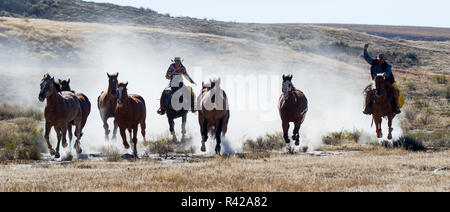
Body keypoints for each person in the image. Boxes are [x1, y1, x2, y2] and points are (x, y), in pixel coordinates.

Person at [363, 43, 403, 115]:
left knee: (395, 91)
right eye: (379, 59)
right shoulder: (374, 62)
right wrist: (365, 49)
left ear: (384, 60)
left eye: (382, 59)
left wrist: (382, 76)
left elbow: (388, 73)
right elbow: (367, 58)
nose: (380, 60)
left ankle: (396, 107)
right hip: (375, 82)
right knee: (368, 92)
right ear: (377, 59)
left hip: (386, 82)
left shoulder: (387, 66)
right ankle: (366, 108)